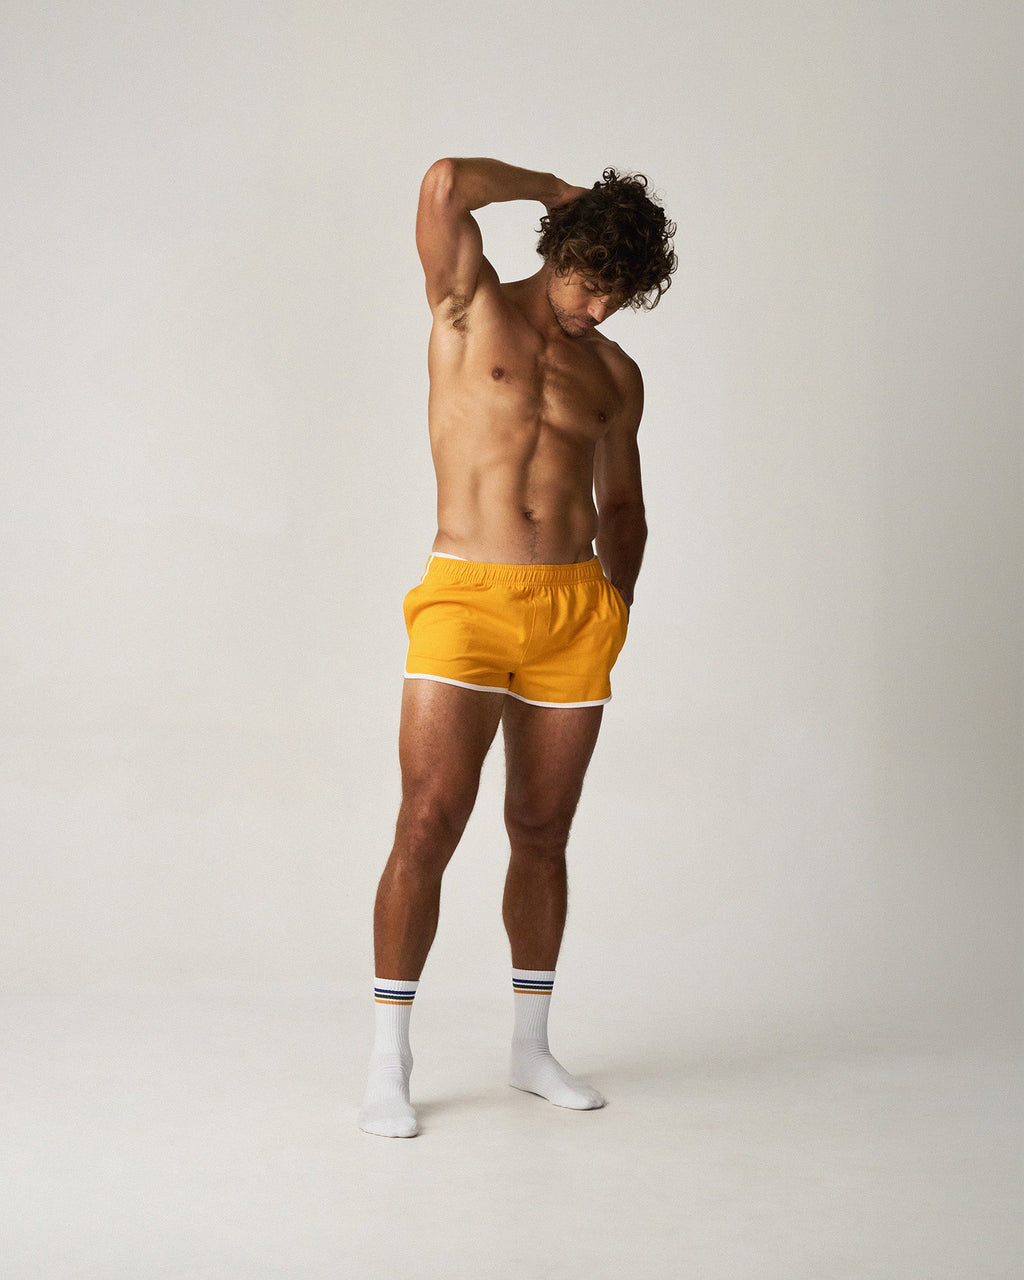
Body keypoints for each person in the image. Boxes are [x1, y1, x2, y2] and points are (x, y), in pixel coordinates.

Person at [359, 157, 676, 1137]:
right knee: (427, 821)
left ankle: (531, 1047)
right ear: (562, 249)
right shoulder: (469, 307)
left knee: (542, 830)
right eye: (593, 282)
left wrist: (614, 605)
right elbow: (446, 183)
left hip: (572, 611)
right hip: (466, 595)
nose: (600, 308)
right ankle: (388, 1059)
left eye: (620, 296)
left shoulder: (614, 374)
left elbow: (624, 505)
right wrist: (550, 188)